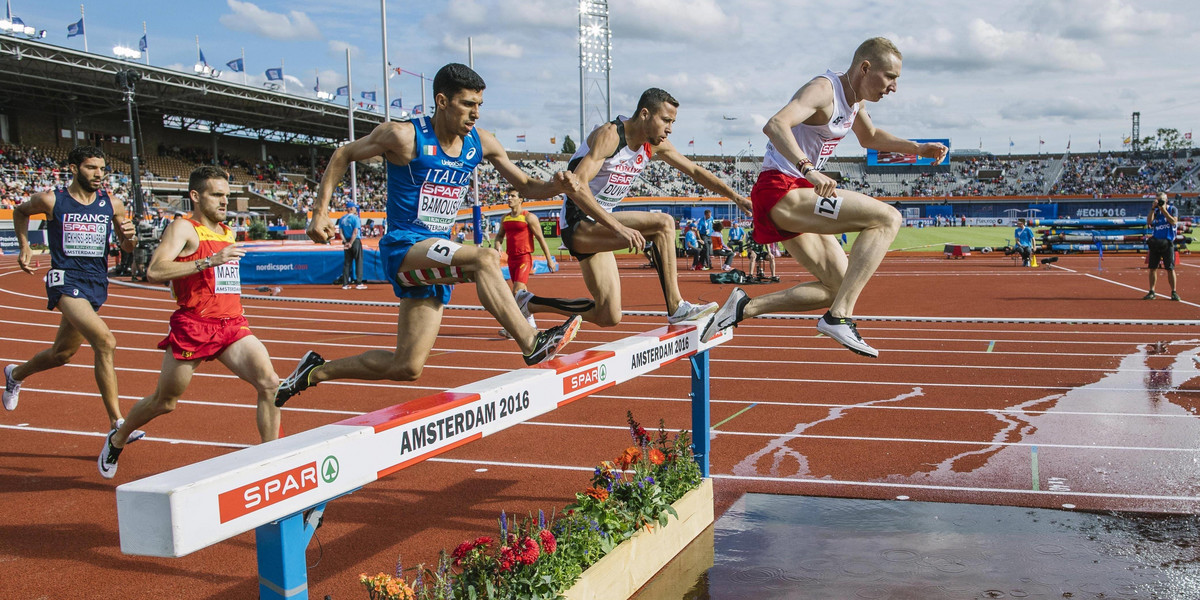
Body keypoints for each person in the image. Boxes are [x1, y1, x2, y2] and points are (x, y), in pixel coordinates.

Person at [272, 63, 584, 407]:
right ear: (442, 101)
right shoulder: (404, 136)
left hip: (437, 254)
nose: (476, 113)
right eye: (468, 104)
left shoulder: (480, 143)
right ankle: (531, 342)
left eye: (479, 105)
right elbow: (344, 153)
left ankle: (313, 372)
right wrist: (319, 212)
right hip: (405, 247)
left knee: (406, 366)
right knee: (484, 258)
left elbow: (525, 185)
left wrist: (555, 185)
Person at [702, 37, 948, 357]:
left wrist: (918, 149)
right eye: (890, 77)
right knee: (888, 217)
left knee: (837, 286)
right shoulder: (823, 90)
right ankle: (839, 318)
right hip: (781, 189)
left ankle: (743, 308)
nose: (894, 87)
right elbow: (775, 124)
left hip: (797, 194)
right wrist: (809, 169)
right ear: (865, 68)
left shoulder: (853, 102)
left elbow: (870, 137)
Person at [99, 166, 282, 478]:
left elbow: (220, 280)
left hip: (231, 325)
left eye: (227, 195)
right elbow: (155, 271)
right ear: (196, 196)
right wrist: (209, 261)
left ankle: (271, 462)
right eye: (217, 195)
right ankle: (118, 437)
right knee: (165, 402)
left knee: (270, 384)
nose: (225, 202)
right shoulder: (183, 229)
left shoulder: (228, 232)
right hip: (194, 326)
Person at [519, 88, 752, 328]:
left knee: (608, 315)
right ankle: (676, 307)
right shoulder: (610, 136)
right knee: (663, 224)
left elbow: (694, 171)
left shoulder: (655, 144)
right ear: (644, 114)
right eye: (666, 120)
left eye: (673, 122)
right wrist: (618, 227)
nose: (670, 128)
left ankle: (529, 303)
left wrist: (735, 197)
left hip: (602, 224)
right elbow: (577, 187)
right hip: (579, 222)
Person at [3, 146, 145, 439]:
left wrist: (129, 238)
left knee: (61, 354)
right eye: (92, 167)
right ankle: (117, 424)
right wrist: (25, 246)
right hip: (65, 280)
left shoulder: (112, 204)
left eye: (102, 169)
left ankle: (15, 374)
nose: (99, 174)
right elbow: (19, 211)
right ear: (73, 168)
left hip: (95, 282)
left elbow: (127, 248)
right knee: (105, 341)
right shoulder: (52, 199)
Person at [496, 189, 560, 338]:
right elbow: (499, 236)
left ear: (520, 200)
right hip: (511, 259)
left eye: (513, 196)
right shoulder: (505, 218)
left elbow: (540, 238)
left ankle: (513, 329)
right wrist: (497, 246)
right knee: (521, 296)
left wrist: (549, 259)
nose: (509, 198)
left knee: (516, 292)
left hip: (524, 258)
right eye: (508, 196)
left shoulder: (529, 217)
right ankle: (531, 325)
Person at [1144, 191, 1180, 301]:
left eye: (1162, 200)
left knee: (1170, 268)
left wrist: (1163, 210)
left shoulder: (1172, 209)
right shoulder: (1155, 211)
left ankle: (1174, 291)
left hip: (1167, 242)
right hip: (1156, 242)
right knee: (1152, 268)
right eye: (1158, 200)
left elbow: (1173, 222)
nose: (1160, 202)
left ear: (1166, 200)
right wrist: (1152, 209)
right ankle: (1152, 291)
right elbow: (1149, 221)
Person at [339, 202, 366, 289]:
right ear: (351, 208)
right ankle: (358, 283)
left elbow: (340, 232)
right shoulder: (355, 218)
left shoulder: (342, 219)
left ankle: (345, 284)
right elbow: (355, 232)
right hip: (355, 241)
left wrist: (346, 242)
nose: (356, 209)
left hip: (346, 240)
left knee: (347, 263)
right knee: (359, 261)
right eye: (354, 208)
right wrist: (351, 242)